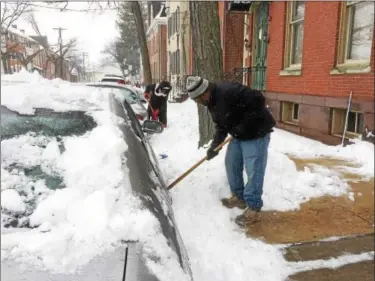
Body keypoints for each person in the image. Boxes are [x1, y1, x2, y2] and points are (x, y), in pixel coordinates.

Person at [186, 76, 276, 228]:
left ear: (204, 92)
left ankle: (254, 206)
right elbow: (221, 126)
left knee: (254, 169)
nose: (198, 103)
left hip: (256, 132)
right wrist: (214, 147)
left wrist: (243, 125)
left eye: (197, 100)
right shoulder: (211, 102)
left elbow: (258, 99)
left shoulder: (228, 91)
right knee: (231, 163)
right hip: (239, 135)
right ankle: (239, 196)